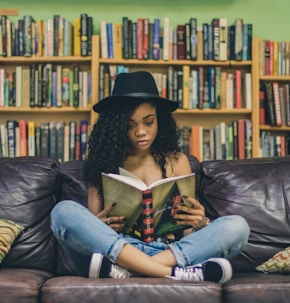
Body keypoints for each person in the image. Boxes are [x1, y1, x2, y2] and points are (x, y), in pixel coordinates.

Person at [50, 71, 250, 283]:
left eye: (148, 122)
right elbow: (92, 231)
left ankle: (134, 270)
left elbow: (187, 233)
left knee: (237, 226)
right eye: (130, 125)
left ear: (159, 121)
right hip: (117, 250)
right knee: (62, 212)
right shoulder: (101, 162)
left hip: (169, 251)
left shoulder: (177, 161)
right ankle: (175, 274)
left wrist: (201, 223)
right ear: (117, 127)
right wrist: (99, 225)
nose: (140, 132)